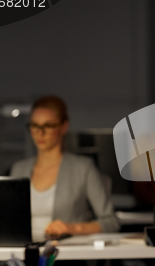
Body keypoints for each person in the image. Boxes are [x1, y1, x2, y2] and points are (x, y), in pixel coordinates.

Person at [10, 96, 120, 242]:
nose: (40, 133)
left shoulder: (82, 168)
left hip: (65, 255)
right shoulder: (18, 169)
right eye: (35, 126)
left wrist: (72, 228)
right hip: (24, 253)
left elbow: (111, 222)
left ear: (63, 127)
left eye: (48, 126)